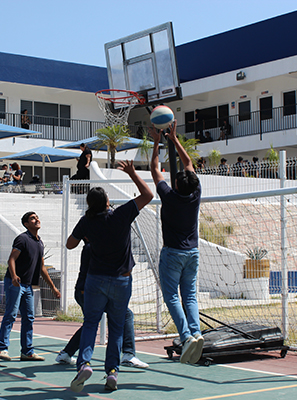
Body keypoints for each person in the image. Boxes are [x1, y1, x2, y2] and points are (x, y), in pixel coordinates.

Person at [67, 159, 153, 392]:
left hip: (95, 279)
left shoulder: (87, 221)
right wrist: (133, 174)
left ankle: (84, 363)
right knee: (116, 327)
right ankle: (112, 372)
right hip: (122, 280)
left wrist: (88, 236)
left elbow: (69, 245)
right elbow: (148, 195)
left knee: (90, 324)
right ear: (107, 202)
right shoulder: (120, 215)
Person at [149, 120, 204, 366]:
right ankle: (197, 332)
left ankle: (186, 337)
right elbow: (189, 163)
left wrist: (156, 143)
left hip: (173, 253)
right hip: (193, 253)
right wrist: (174, 139)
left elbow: (155, 170)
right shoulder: (195, 193)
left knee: (172, 297)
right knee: (189, 296)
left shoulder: (169, 196)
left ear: (178, 184)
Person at [56, 239, 149, 369]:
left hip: (87, 290)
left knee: (90, 324)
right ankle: (127, 354)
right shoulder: (92, 247)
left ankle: (66, 353)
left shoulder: (94, 246)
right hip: (86, 291)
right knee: (123, 316)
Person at [0, 212, 61, 362]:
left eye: (37, 217)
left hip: (28, 286)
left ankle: (27, 351)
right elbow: (11, 259)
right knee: (11, 315)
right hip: (16, 284)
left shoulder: (39, 242)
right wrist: (13, 276)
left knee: (29, 318)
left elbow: (42, 268)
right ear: (26, 224)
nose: (37, 219)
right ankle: (2, 349)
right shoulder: (22, 239)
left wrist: (53, 287)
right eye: (33, 218)